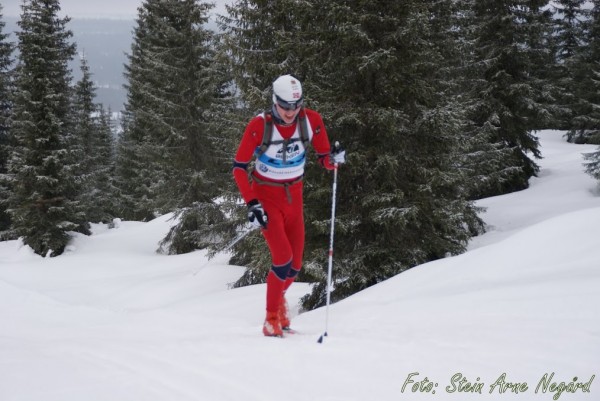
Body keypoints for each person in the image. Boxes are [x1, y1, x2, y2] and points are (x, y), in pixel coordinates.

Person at [233, 74, 346, 337]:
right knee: (282, 259)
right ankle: (271, 319)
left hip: (294, 197)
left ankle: (279, 305)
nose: (290, 112)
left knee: (295, 266)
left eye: (296, 106)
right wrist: (252, 204)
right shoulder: (259, 126)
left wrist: (335, 160)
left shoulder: (311, 121)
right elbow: (239, 168)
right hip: (267, 197)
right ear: (275, 101)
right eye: (285, 106)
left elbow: (324, 159)